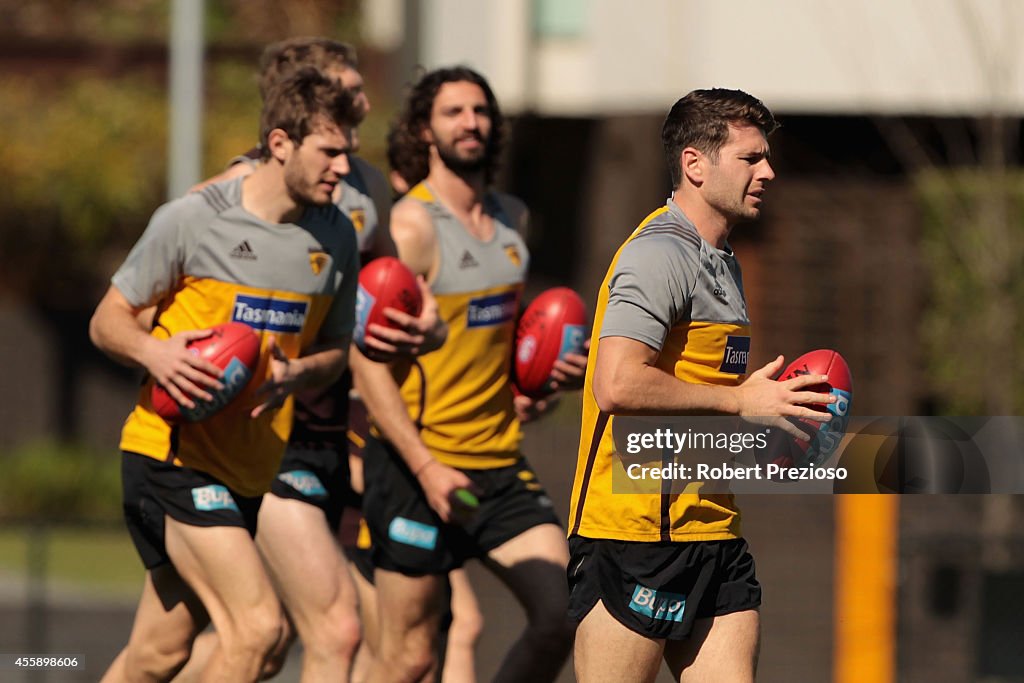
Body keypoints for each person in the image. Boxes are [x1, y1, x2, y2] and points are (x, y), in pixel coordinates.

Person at [176, 37, 445, 682]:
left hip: (332, 436)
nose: (365, 102)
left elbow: (382, 296)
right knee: (332, 627)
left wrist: (423, 325)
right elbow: (160, 304)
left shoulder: (369, 189)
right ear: (302, 107)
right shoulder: (226, 196)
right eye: (348, 91)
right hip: (260, 439)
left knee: (226, 645)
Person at [90, 68, 362, 682]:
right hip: (171, 455)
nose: (343, 169)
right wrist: (156, 355)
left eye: (349, 153)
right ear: (280, 143)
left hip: (250, 470)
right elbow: (106, 321)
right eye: (330, 152)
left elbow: (338, 351)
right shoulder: (192, 219)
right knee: (259, 629)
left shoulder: (336, 236)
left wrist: (295, 375)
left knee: (159, 654)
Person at [566, 88, 837, 682]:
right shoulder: (658, 255)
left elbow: (700, 404)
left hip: (714, 530)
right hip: (634, 535)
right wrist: (742, 400)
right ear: (695, 164)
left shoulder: (725, 262)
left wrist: (780, 426)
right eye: (750, 158)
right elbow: (617, 384)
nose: (768, 171)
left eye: (766, 157)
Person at [353, 65, 585, 683]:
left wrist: (534, 385)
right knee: (408, 657)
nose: (470, 122)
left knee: (565, 613)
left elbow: (499, 341)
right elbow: (365, 357)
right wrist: (424, 466)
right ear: (425, 131)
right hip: (414, 467)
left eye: (480, 110)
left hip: (496, 462)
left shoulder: (514, 219)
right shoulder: (411, 226)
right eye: (453, 112)